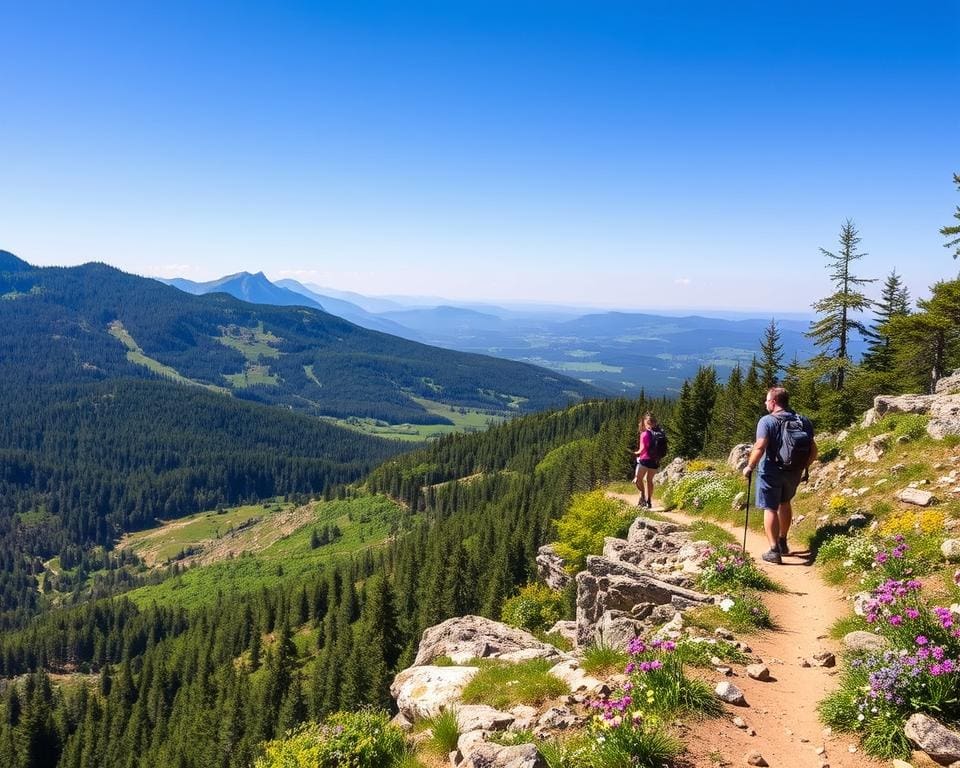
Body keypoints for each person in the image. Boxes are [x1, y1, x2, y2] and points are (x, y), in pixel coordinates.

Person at [742, 387, 817, 564]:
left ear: (774, 402)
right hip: (794, 472)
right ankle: (783, 541)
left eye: (767, 400)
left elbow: (760, 446)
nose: (765, 403)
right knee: (785, 503)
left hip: (771, 470)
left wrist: (749, 466)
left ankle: (774, 550)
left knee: (770, 508)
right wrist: (803, 466)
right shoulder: (802, 421)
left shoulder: (767, 421)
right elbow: (814, 450)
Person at [634, 412, 661, 509]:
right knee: (650, 480)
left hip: (645, 460)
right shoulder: (660, 434)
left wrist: (636, 452)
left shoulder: (644, 434)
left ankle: (642, 496)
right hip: (655, 461)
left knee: (638, 479)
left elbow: (641, 449)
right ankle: (649, 501)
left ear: (645, 422)